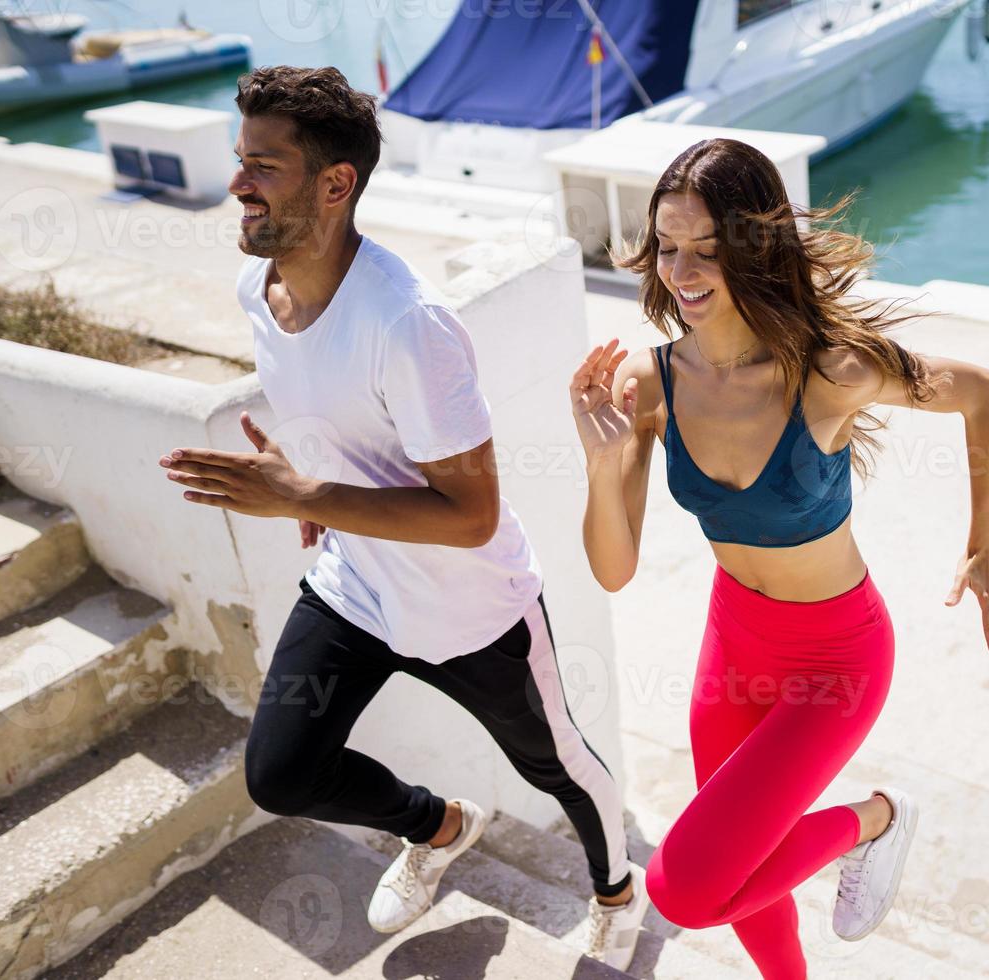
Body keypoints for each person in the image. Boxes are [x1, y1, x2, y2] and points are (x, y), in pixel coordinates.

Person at [158, 65, 647, 969]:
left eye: (263, 165)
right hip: (355, 588)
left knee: (559, 766)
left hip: (472, 610)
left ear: (335, 183)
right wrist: (308, 477)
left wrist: (302, 496)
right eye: (241, 160)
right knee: (282, 774)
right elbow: (343, 426)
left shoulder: (409, 324)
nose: (237, 183)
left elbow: (470, 514)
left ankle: (618, 890)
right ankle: (442, 826)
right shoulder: (256, 290)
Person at [570, 137, 989, 979]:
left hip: (836, 661)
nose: (682, 270)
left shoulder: (830, 372)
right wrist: (602, 463)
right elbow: (612, 570)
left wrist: (985, 540)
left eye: (707, 248)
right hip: (733, 647)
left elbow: (980, 392)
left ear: (754, 245)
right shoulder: (649, 384)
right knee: (741, 878)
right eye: (668, 248)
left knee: (687, 890)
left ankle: (877, 820)